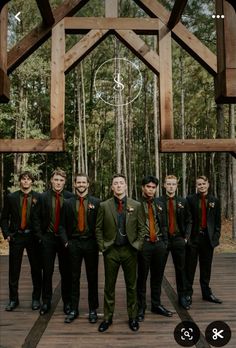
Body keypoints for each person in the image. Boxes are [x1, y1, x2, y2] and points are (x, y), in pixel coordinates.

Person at [96, 174, 145, 332]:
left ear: (126, 186)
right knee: (109, 286)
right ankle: (107, 318)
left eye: (121, 183)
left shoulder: (136, 205)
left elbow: (142, 228)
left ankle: (132, 317)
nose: (118, 186)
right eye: (115, 183)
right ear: (112, 187)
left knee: (131, 286)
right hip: (111, 251)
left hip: (130, 251)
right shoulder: (104, 205)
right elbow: (98, 228)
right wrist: (103, 246)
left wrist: (137, 245)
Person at [59, 173, 100, 324]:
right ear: (75, 185)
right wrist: (66, 242)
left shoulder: (96, 202)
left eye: (84, 182)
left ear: (88, 184)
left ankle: (93, 309)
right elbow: (62, 225)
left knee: (92, 277)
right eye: (79, 182)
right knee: (73, 277)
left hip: (91, 244)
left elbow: (100, 225)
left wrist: (98, 242)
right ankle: (73, 309)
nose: (81, 185)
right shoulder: (68, 203)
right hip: (74, 243)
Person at [33, 168, 74, 315]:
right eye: (56, 180)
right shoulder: (43, 197)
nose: (58, 183)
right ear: (51, 181)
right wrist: (40, 237)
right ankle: (46, 302)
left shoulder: (70, 197)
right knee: (47, 271)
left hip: (64, 240)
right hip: (48, 238)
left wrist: (70, 239)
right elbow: (35, 218)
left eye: (61, 180)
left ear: (65, 182)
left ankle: (67, 302)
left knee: (66, 272)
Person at [0, 171, 42, 311]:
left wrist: (40, 235)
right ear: (20, 181)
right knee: (14, 269)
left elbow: (43, 218)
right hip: (16, 236)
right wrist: (7, 234)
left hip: (33, 237)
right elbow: (4, 218)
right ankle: (13, 299)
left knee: (36, 269)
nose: (25, 181)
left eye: (28, 179)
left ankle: (36, 299)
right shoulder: (11, 197)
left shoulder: (38, 197)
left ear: (32, 182)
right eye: (23, 179)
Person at [137, 175, 171, 322]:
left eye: (153, 187)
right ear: (142, 188)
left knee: (157, 276)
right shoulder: (136, 204)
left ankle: (156, 304)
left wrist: (164, 242)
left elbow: (163, 224)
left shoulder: (159, 204)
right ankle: (141, 307)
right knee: (142, 277)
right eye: (148, 187)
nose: (150, 190)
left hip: (159, 244)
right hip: (144, 244)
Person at [185, 175, 222, 305]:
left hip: (208, 239)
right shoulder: (190, 199)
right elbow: (187, 219)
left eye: (203, 184)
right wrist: (187, 238)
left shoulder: (214, 200)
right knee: (190, 268)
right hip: (194, 238)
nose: (201, 186)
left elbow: (217, 222)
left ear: (208, 184)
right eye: (199, 184)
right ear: (196, 186)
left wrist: (215, 238)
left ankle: (206, 293)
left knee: (206, 268)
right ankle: (187, 294)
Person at [158, 175, 192, 310]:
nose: (171, 186)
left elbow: (189, 220)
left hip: (178, 239)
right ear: (164, 185)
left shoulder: (183, 201)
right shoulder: (158, 201)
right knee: (159, 270)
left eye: (173, 184)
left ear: (177, 186)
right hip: (163, 240)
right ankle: (157, 300)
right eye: (168, 184)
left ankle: (182, 297)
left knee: (181, 269)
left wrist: (186, 238)